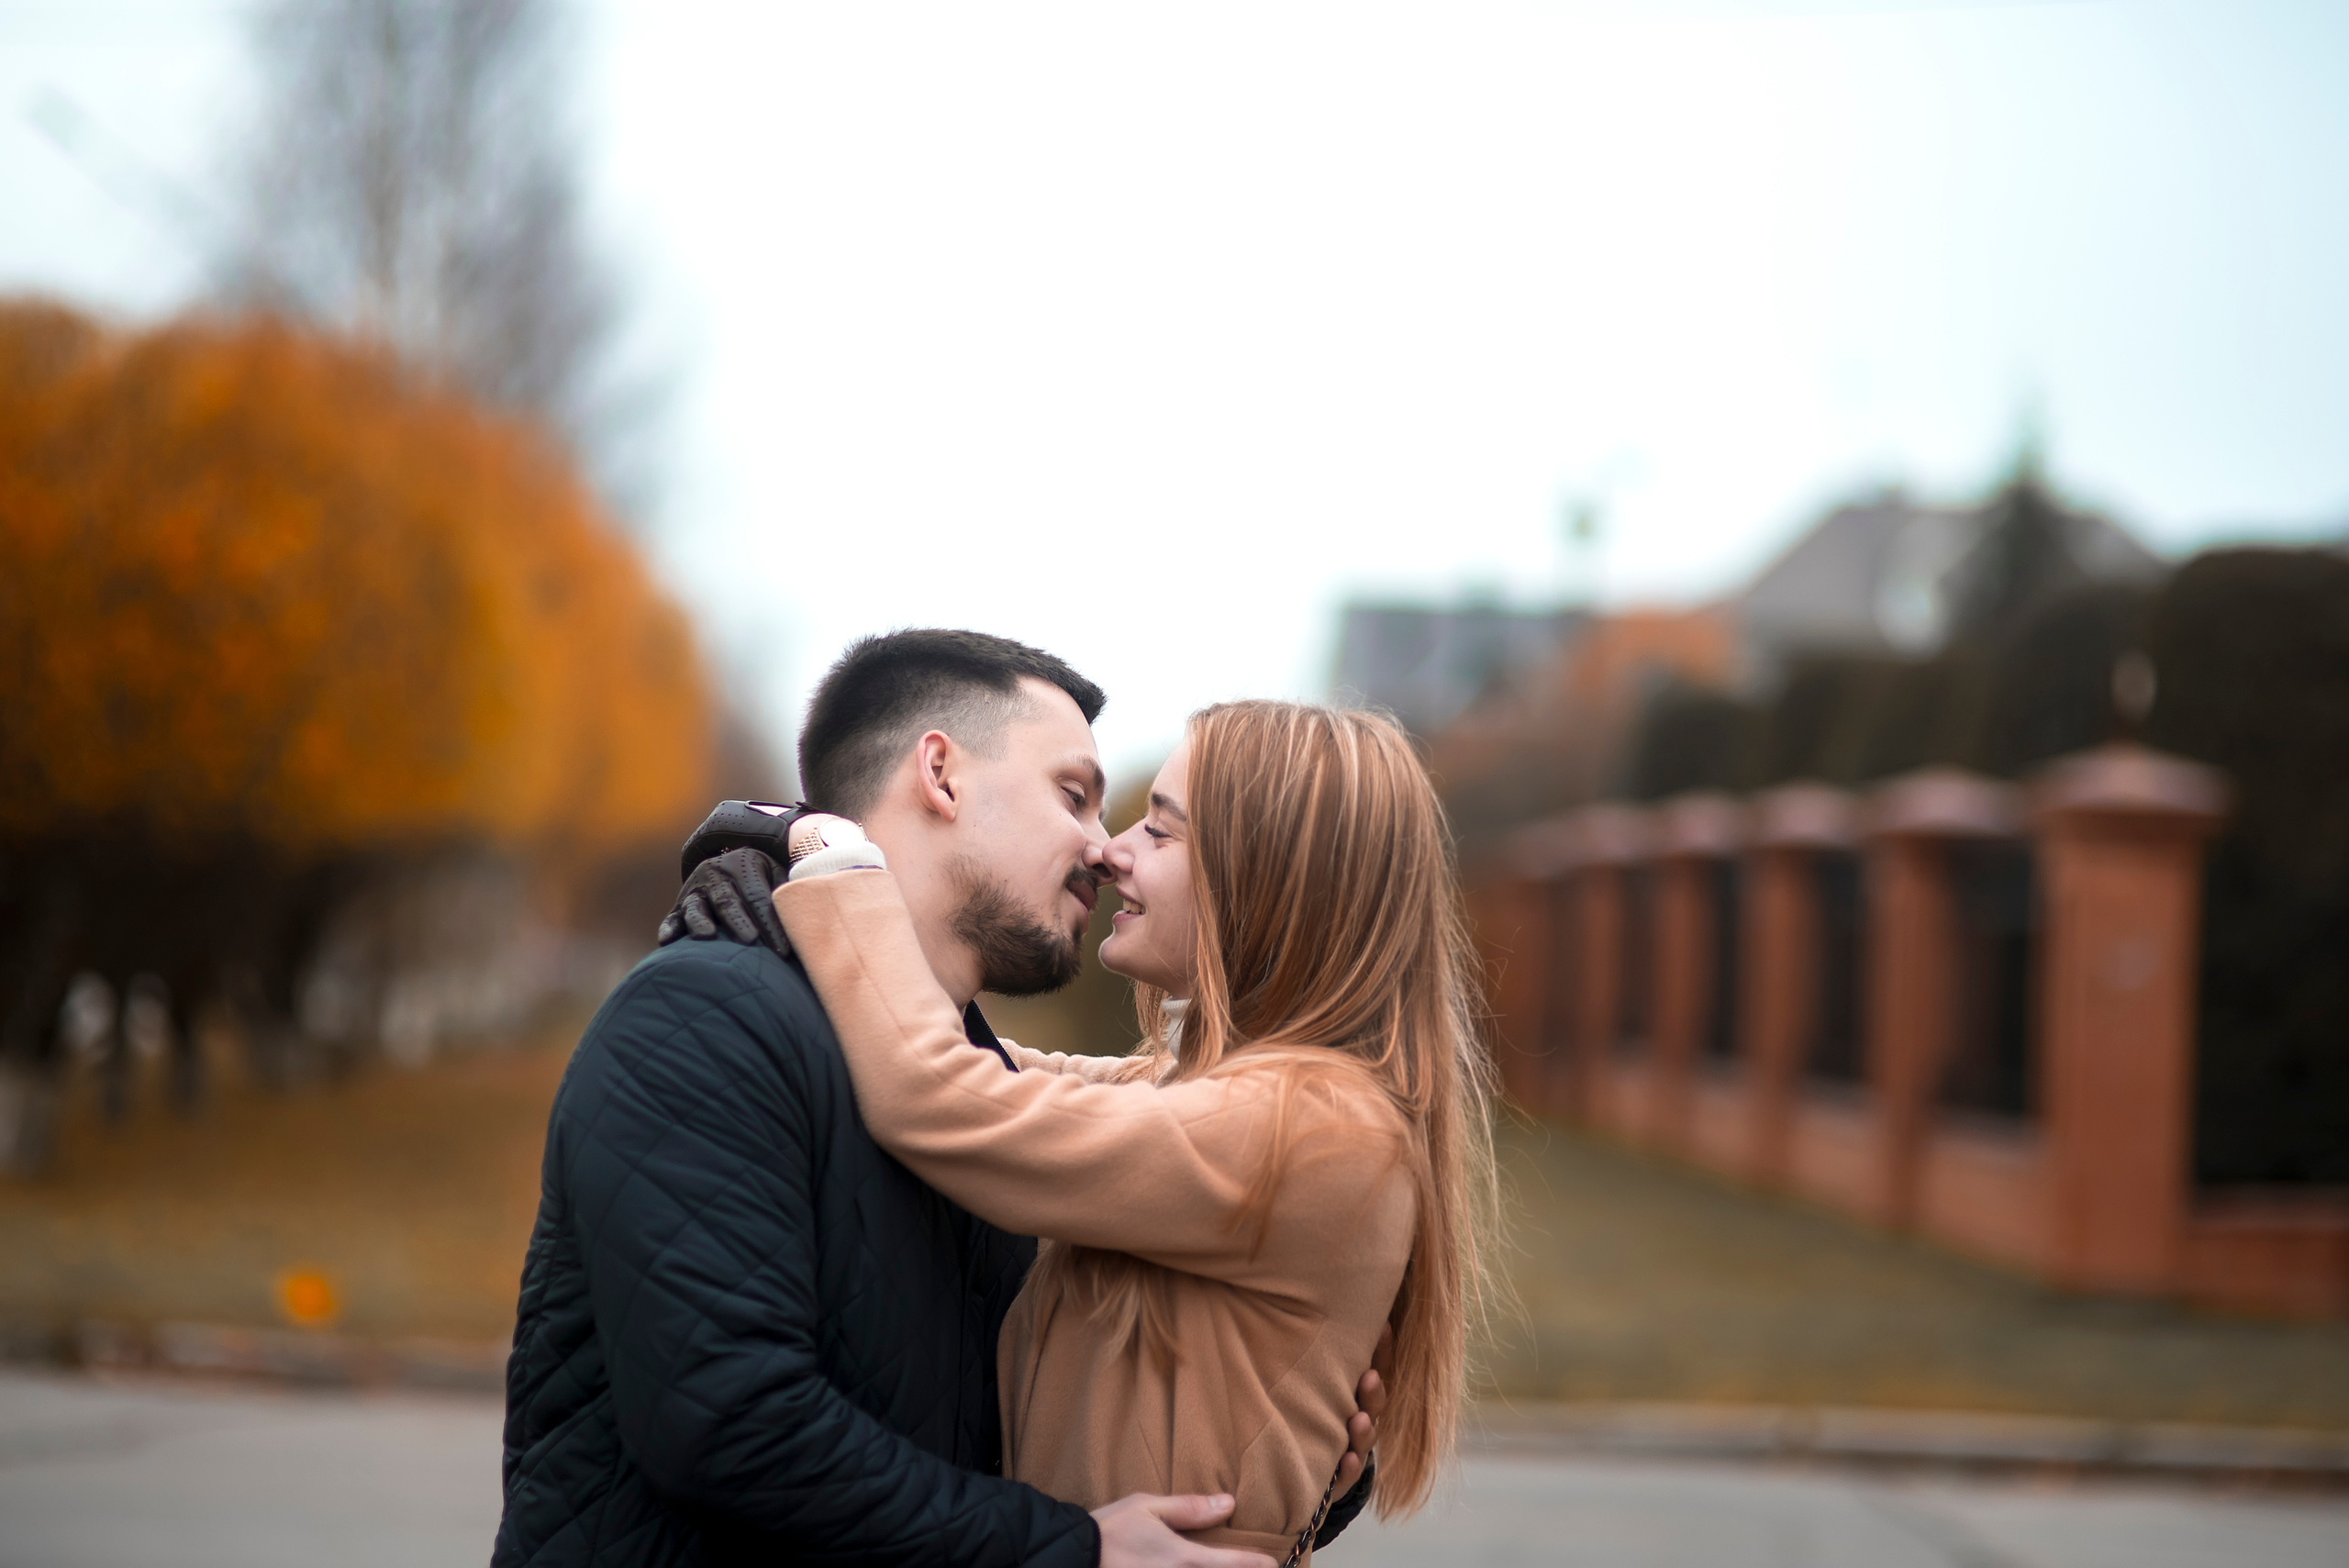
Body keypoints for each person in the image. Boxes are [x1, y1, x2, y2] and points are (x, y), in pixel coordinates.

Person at [493, 631, 1382, 1568]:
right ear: (941, 774)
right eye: (1073, 795)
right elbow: (730, 1421)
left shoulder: (978, 1085)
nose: (1101, 847)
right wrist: (1067, 1548)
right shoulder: (706, 1016)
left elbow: (1028, 1415)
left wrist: (1276, 1437)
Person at [773, 700, 1497, 1562]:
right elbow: (996, 1072)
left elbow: (944, 1096)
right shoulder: (1208, 1091)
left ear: (1264, 880)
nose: (1110, 851)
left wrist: (831, 863)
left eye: (1158, 831)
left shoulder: (1309, 1124)